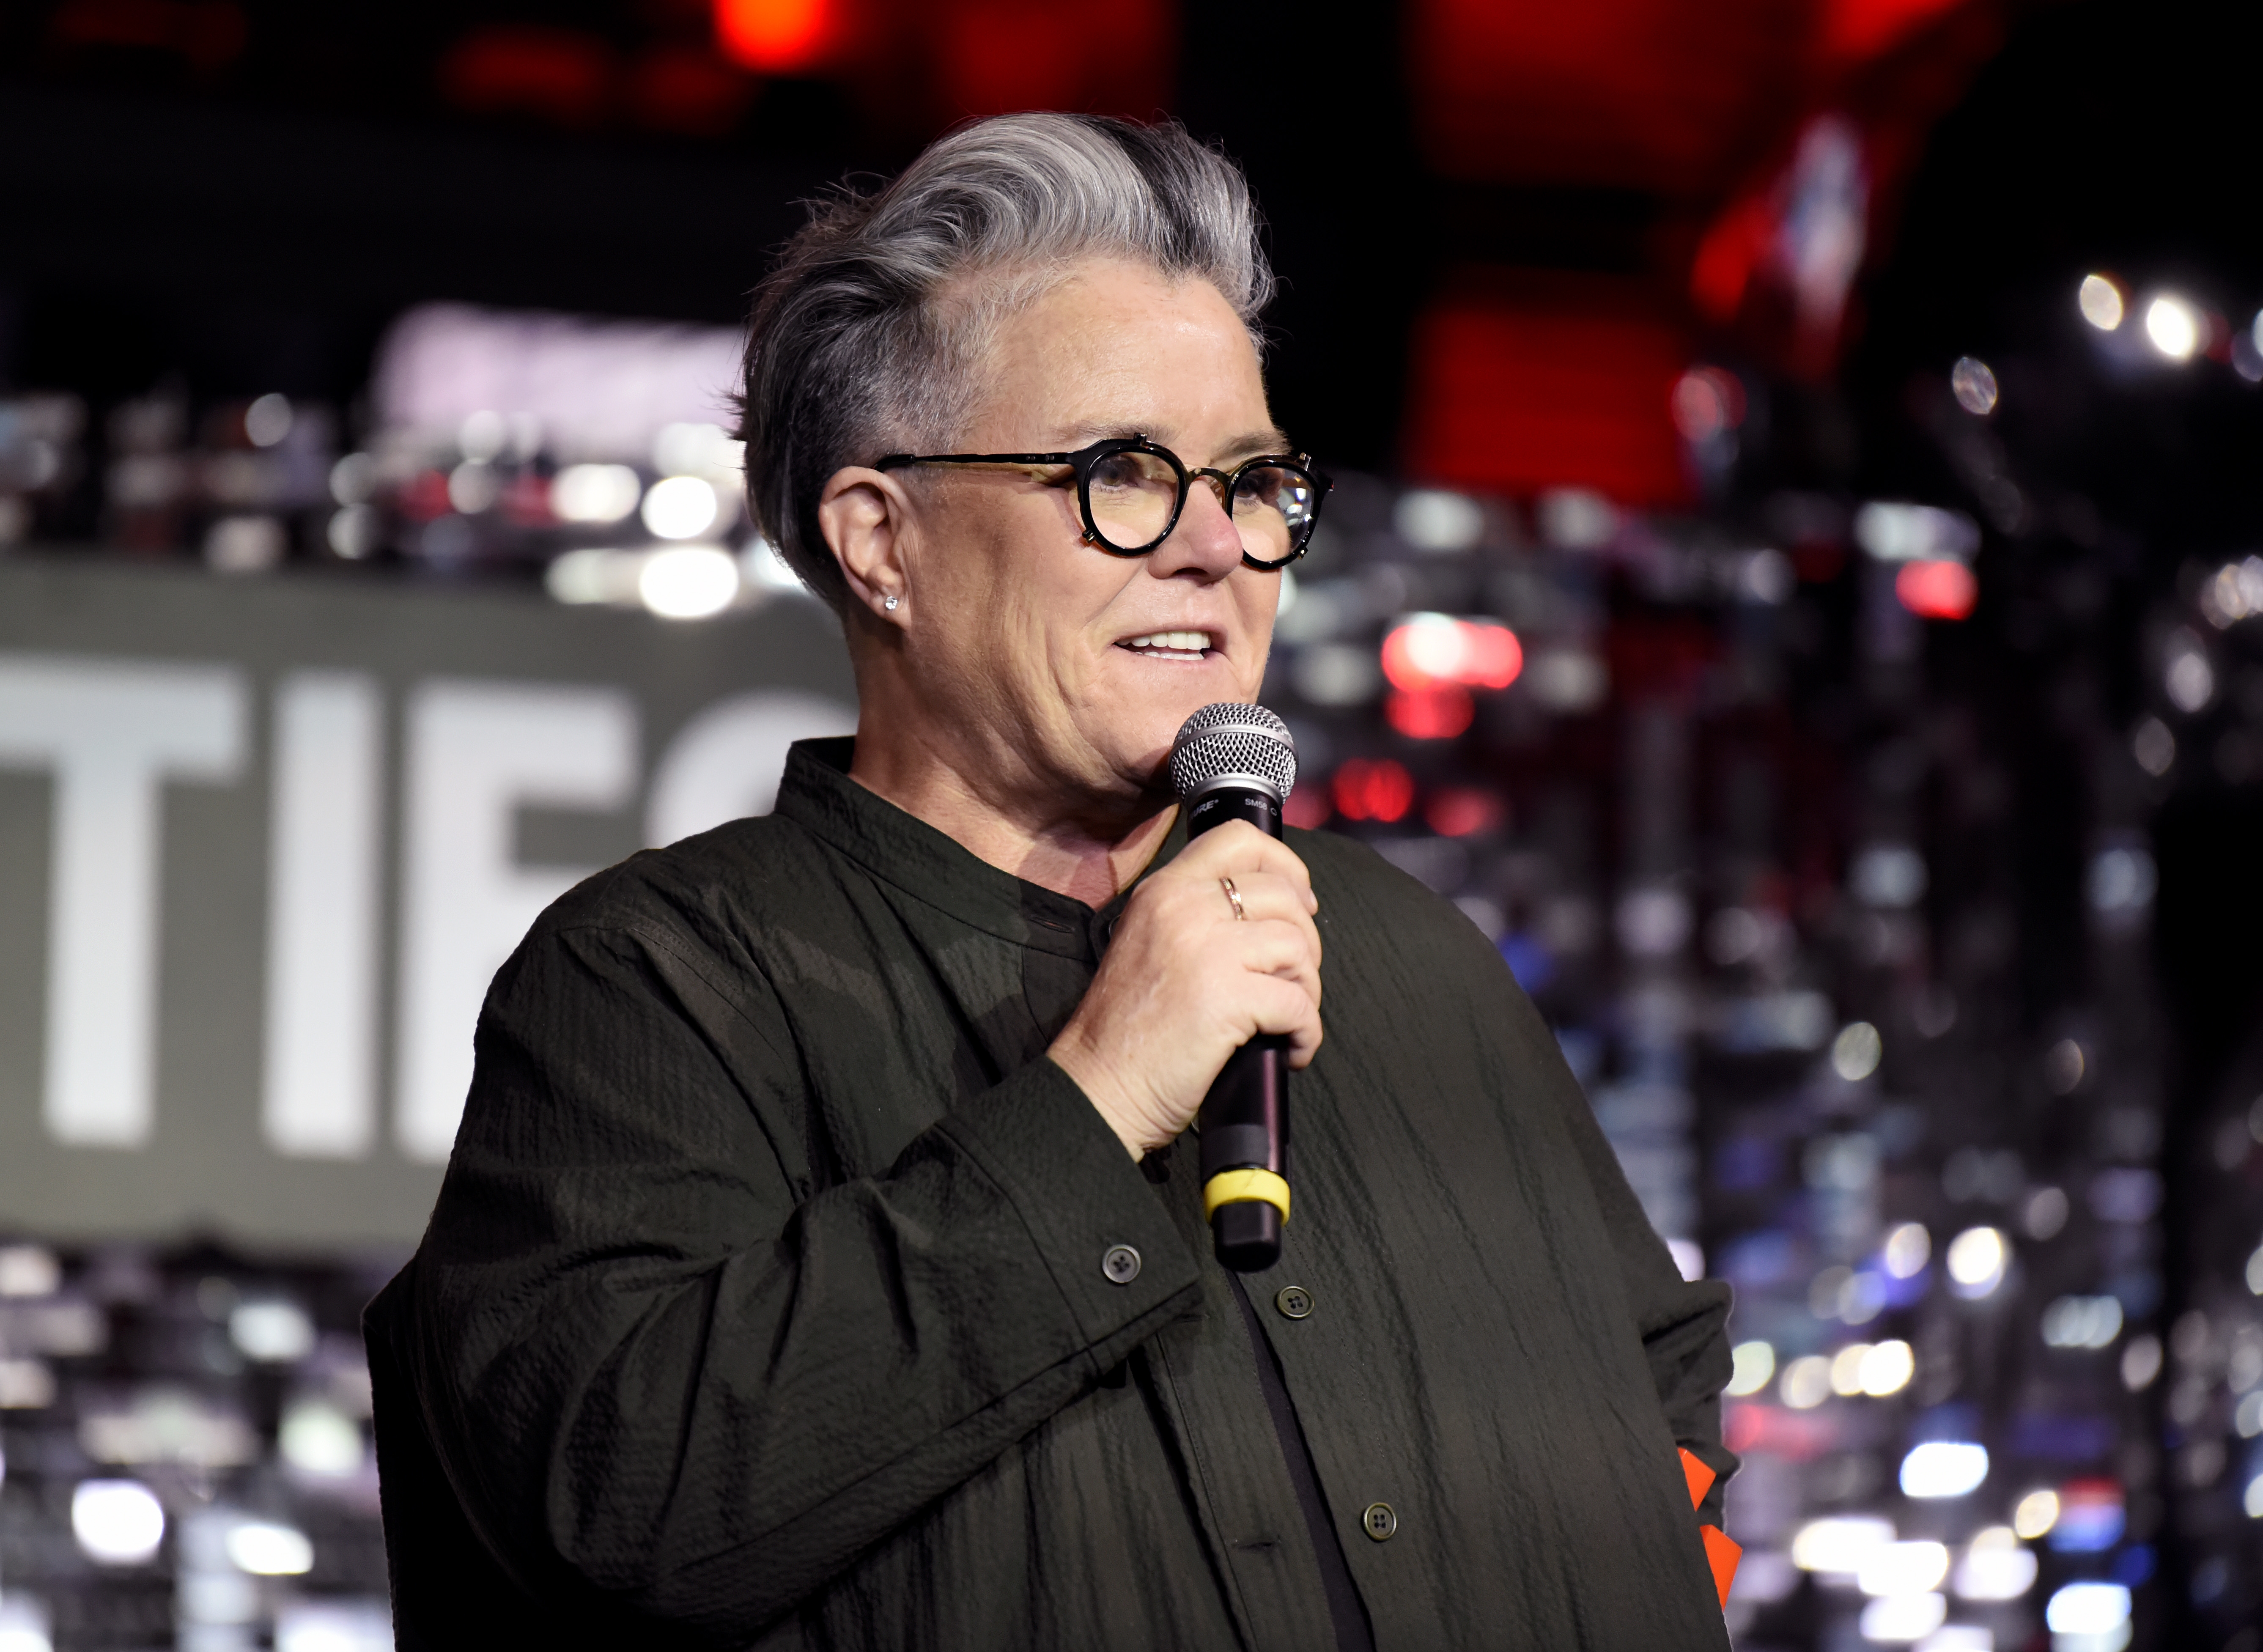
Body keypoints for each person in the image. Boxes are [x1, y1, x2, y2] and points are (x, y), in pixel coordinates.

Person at [365, 112, 1737, 1650]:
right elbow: (613, 1496)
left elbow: (1663, 1379)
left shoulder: (1406, 951)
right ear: (883, 543)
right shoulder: (661, 980)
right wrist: (1097, 1101)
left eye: (1252, 480)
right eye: (1123, 473)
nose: (1216, 546)